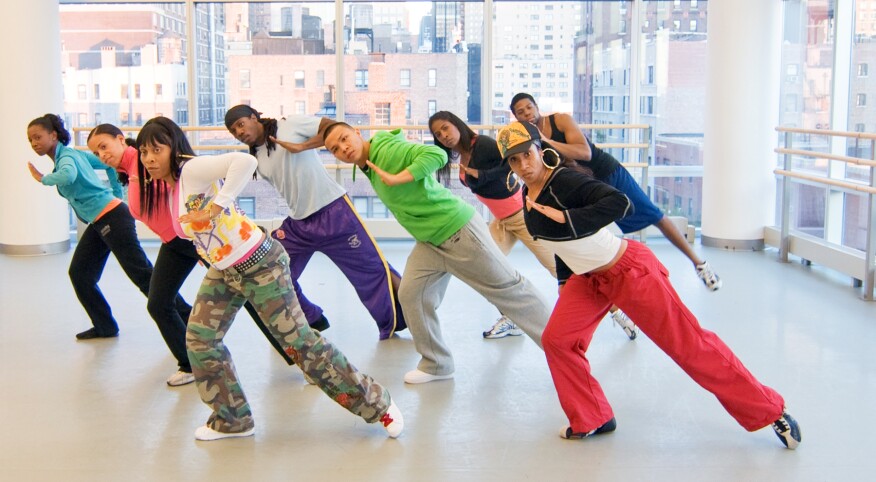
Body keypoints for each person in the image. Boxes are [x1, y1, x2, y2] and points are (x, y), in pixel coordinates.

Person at [496, 120, 801, 449]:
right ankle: (592, 416)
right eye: (514, 160)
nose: (524, 165)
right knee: (558, 340)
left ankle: (771, 410)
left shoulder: (565, 181)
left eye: (527, 154)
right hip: (587, 280)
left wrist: (569, 219)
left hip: (629, 273)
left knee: (689, 347)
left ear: (541, 150)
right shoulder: (528, 194)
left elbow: (618, 203)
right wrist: (564, 279)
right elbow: (560, 244)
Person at [136, 116, 402, 441]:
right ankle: (232, 420)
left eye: (156, 150)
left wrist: (216, 207)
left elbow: (244, 161)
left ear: (172, 148)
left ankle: (378, 404)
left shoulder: (190, 169)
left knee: (299, 344)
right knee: (200, 340)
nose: (149, 159)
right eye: (144, 153)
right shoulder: (171, 184)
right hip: (224, 269)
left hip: (260, 262)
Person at [323, 122, 553, 385]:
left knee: (509, 290)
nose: (343, 148)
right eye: (335, 149)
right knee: (411, 294)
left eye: (344, 138)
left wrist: (400, 177)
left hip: (458, 230)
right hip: (430, 241)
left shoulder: (387, 150)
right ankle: (437, 364)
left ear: (357, 133)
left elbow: (437, 155)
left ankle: (562, 346)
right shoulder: (368, 164)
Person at [86, 124, 299, 387]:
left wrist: (213, 211)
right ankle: (189, 363)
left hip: (192, 239)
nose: (102, 154)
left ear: (121, 140)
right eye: (96, 152)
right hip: (176, 241)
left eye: (104, 146)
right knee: (158, 303)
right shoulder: (132, 168)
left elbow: (195, 180)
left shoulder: (149, 164)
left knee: (256, 303)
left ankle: (299, 354)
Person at [429, 111, 637, 341]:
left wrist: (480, 174)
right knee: (486, 268)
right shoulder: (460, 156)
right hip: (502, 221)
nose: (444, 136)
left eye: (446, 128)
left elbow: (507, 167)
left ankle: (618, 312)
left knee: (562, 270)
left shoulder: (483, 144)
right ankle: (511, 317)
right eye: (438, 134)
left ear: (457, 124)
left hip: (522, 216)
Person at [224, 105, 405, 340]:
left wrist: (303, 146)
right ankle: (312, 319)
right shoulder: (255, 157)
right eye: (233, 131)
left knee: (373, 269)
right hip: (299, 224)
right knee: (272, 271)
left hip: (334, 211)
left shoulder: (288, 124)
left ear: (253, 117)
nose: (238, 132)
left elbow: (332, 128)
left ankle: (404, 316)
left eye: (240, 124)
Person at [509, 93, 722, 291]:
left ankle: (699, 263)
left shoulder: (559, 121)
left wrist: (547, 142)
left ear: (537, 107)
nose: (527, 113)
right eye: (521, 112)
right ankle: (613, 306)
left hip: (607, 173)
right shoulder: (529, 141)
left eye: (529, 107)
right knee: (580, 238)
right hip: (580, 185)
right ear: (517, 118)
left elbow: (585, 152)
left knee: (655, 216)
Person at [26, 114, 158, 342]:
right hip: (102, 220)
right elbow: (106, 164)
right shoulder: (74, 155)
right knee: (80, 274)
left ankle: (185, 321)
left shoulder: (67, 158)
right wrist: (116, 192)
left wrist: (43, 179)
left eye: (38, 137)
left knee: (143, 275)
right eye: (30, 140)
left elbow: (68, 175)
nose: (34, 143)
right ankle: (105, 326)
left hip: (112, 218)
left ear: (53, 135)